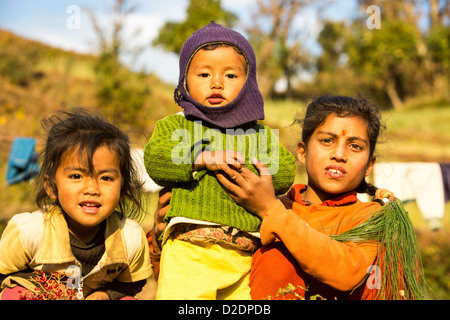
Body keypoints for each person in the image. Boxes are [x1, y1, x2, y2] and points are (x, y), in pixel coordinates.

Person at [144, 21, 296, 299]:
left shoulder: (258, 132)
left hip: (246, 254)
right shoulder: (175, 126)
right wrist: (203, 158)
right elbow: (155, 160)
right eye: (203, 74)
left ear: (248, 82)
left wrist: (240, 164)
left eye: (230, 76)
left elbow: (285, 173)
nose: (216, 83)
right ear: (184, 79)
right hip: (188, 249)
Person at [216, 95, 404, 300]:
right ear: (303, 152)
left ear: (369, 165)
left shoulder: (372, 218)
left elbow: (347, 272)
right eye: (327, 141)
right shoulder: (272, 205)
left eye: (355, 146)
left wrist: (272, 210)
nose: (339, 154)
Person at [0, 109, 153, 300]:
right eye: (76, 176)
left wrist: (104, 295)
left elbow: (132, 284)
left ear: (122, 190)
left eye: (106, 178)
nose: (92, 189)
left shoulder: (129, 237)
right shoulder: (28, 232)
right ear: (51, 186)